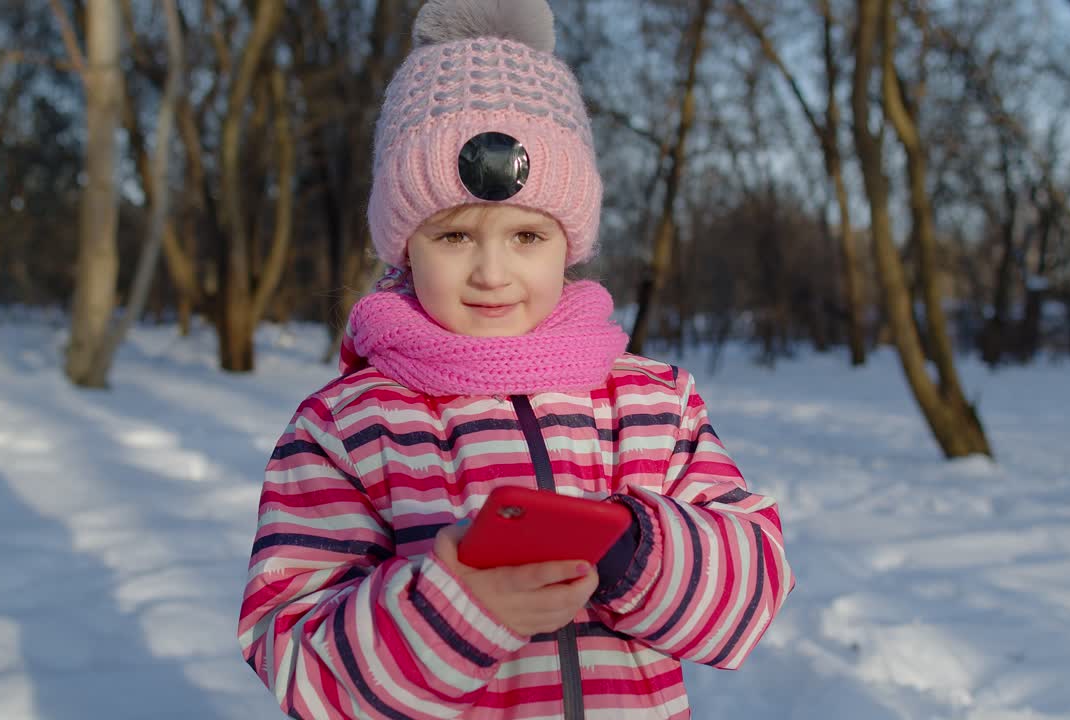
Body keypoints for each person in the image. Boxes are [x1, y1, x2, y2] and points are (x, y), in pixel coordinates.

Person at [236, 1, 793, 717]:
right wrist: (456, 609)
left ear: (572, 242)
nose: (492, 273)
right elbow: (294, 657)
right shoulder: (347, 428)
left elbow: (755, 584)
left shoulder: (654, 403)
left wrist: (638, 550)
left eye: (527, 237)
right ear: (404, 244)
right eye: (455, 236)